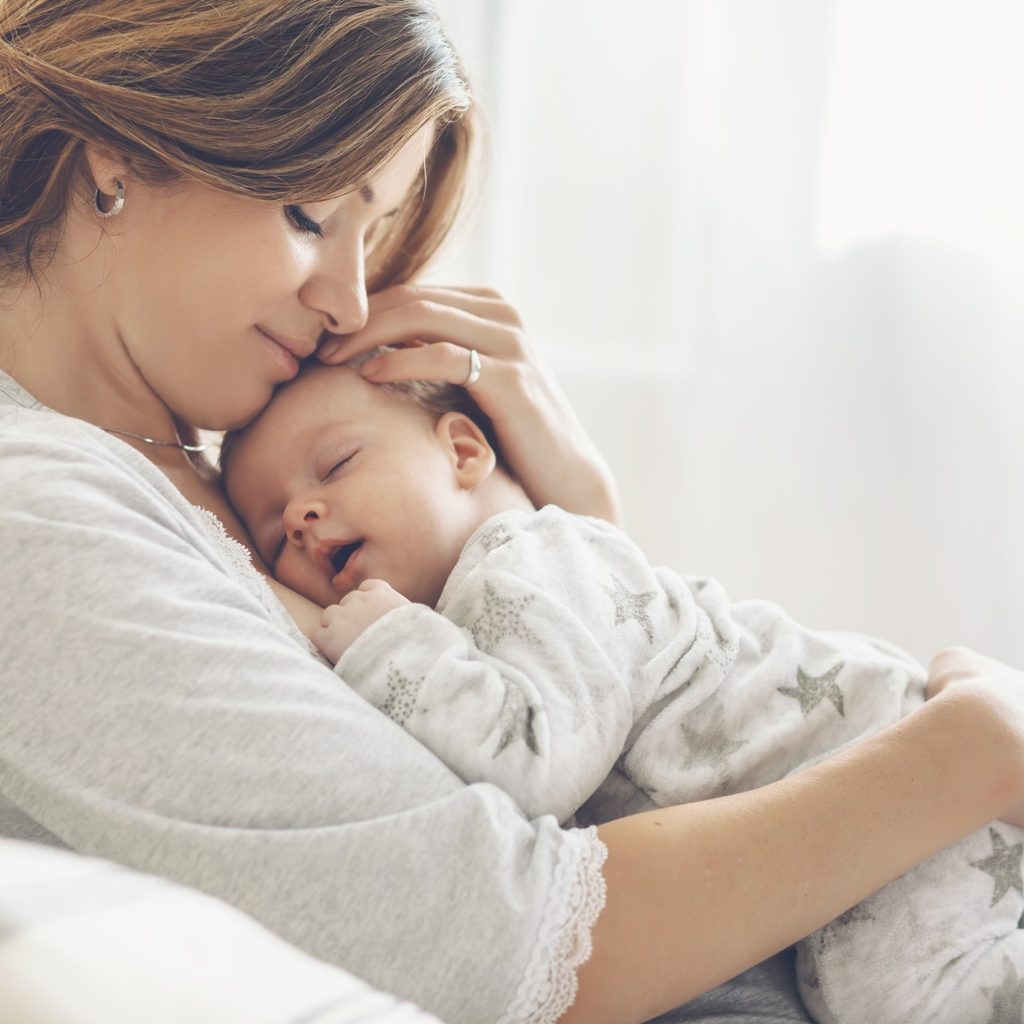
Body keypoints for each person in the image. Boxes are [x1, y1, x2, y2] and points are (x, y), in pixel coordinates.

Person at [1, 3, 1024, 1024]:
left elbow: (602, 765)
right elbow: (511, 940)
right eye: (312, 215)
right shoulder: (38, 518)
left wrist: (577, 527)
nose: (352, 305)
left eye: (375, 237)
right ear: (110, 164)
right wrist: (966, 751)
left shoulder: (213, 465)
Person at [222, 356, 1024, 1024]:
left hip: (909, 786)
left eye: (335, 465)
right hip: (892, 782)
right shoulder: (490, 602)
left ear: (464, 451)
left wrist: (386, 642)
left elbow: (535, 764)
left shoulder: (528, 557)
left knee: (892, 993)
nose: (300, 514)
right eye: (268, 529)